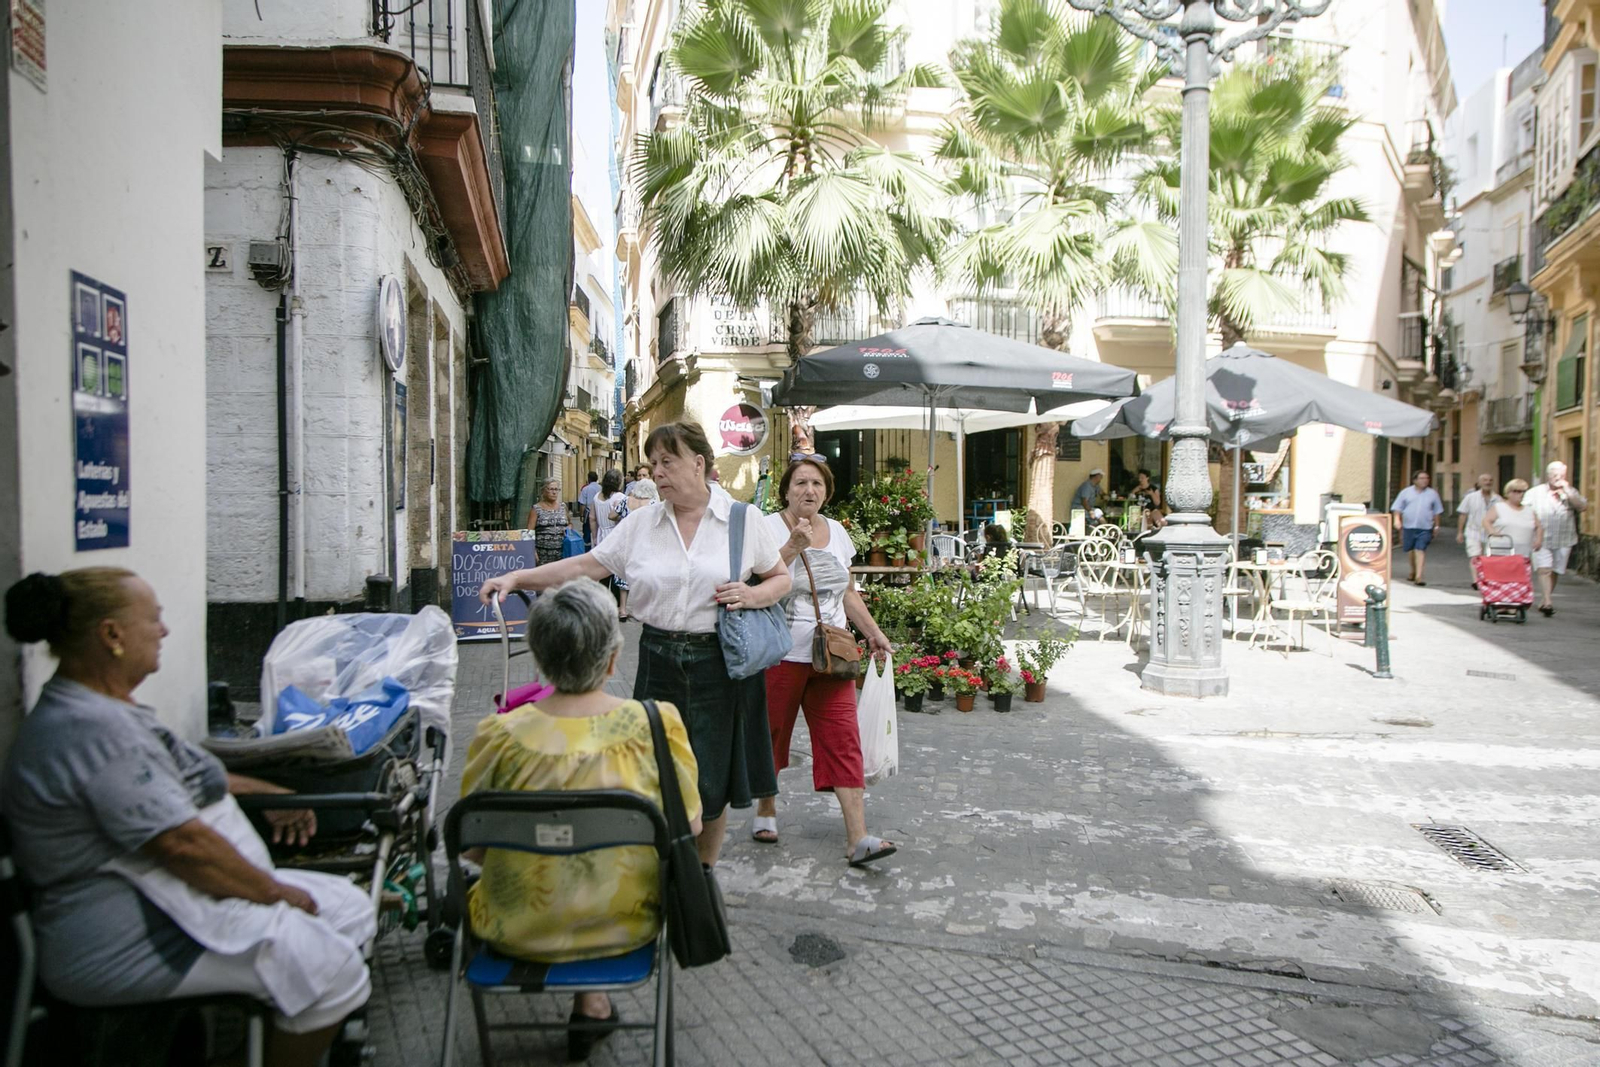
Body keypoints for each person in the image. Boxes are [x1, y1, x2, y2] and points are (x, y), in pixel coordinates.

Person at [2, 569, 373, 1067]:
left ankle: (274, 1032)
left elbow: (178, 782)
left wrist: (268, 793)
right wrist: (272, 892)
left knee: (349, 908)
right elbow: (182, 846)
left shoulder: (103, 711)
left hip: (176, 900)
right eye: (153, 619)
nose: (164, 631)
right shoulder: (93, 730)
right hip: (128, 934)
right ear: (112, 635)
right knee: (332, 971)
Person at [478, 421, 791, 868]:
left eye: (668, 461)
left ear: (698, 463)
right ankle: (659, 866)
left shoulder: (743, 520)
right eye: (654, 463)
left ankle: (700, 874)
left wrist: (753, 594)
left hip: (721, 662)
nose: (657, 472)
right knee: (653, 771)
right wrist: (517, 577)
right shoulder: (642, 523)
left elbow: (780, 578)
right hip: (659, 658)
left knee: (710, 781)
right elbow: (587, 566)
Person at [460, 578, 701, 1060]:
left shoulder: (500, 734)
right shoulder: (657, 725)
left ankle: (587, 1003)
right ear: (613, 659)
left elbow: (472, 846)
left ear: (539, 657)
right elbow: (689, 828)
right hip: (625, 922)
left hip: (514, 926)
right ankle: (592, 1002)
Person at [751, 457, 898, 866]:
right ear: (786, 490)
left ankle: (858, 837)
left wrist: (872, 633)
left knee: (843, 739)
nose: (808, 491)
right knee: (772, 733)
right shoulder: (766, 528)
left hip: (832, 655)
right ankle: (765, 809)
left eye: (817, 484)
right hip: (780, 654)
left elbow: (847, 592)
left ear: (826, 492)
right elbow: (757, 582)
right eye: (800, 483)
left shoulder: (837, 532)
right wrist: (793, 546)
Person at [1523, 460, 1589, 616]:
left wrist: (1567, 491)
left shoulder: (1570, 491)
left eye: (1560, 475)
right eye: (1554, 475)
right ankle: (1547, 601)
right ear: (1548, 476)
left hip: (1564, 538)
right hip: (1541, 538)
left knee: (1555, 570)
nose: (1557, 478)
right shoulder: (1535, 492)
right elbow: (1525, 511)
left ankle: (1546, 597)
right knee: (1544, 569)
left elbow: (1582, 507)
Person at [1390, 470, 1443, 585]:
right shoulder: (1406, 492)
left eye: (1427, 478)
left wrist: (1437, 525)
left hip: (1425, 527)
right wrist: (1396, 520)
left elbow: (1437, 511)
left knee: (1420, 549)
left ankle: (1419, 576)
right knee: (1411, 549)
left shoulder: (1432, 494)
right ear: (1415, 480)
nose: (1425, 480)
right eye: (1422, 478)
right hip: (1409, 526)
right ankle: (1413, 571)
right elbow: (1397, 508)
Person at [1455, 473, 1501, 589]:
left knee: (1488, 557)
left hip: (1491, 533)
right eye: (1485, 480)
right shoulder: (1470, 497)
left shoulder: (1498, 499)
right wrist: (1460, 532)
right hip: (1473, 531)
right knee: (1475, 556)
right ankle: (1476, 581)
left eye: (1490, 480)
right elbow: (1463, 515)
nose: (1488, 482)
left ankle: (1485, 578)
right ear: (1479, 483)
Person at [1482, 478, 1542, 566]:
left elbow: (1539, 526)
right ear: (1508, 493)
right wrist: (1492, 531)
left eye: (1523, 491)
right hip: (1500, 551)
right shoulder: (1499, 507)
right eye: (1517, 491)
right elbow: (1486, 521)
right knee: (1500, 578)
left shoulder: (1529, 511)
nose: (1521, 494)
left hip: (1522, 553)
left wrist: (1538, 540)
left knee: (1519, 578)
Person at [526, 478, 569, 567]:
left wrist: (569, 529)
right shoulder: (536, 509)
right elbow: (529, 532)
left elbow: (569, 523)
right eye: (551, 489)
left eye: (556, 489)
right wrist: (533, 552)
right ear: (543, 491)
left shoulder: (563, 507)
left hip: (563, 554)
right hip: (543, 555)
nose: (554, 492)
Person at [577, 471, 602, 549]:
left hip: (588, 512)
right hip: (599, 511)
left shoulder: (586, 489)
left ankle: (587, 549)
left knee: (587, 531)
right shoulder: (601, 488)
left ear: (588, 479)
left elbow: (582, 504)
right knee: (599, 531)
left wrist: (581, 515)